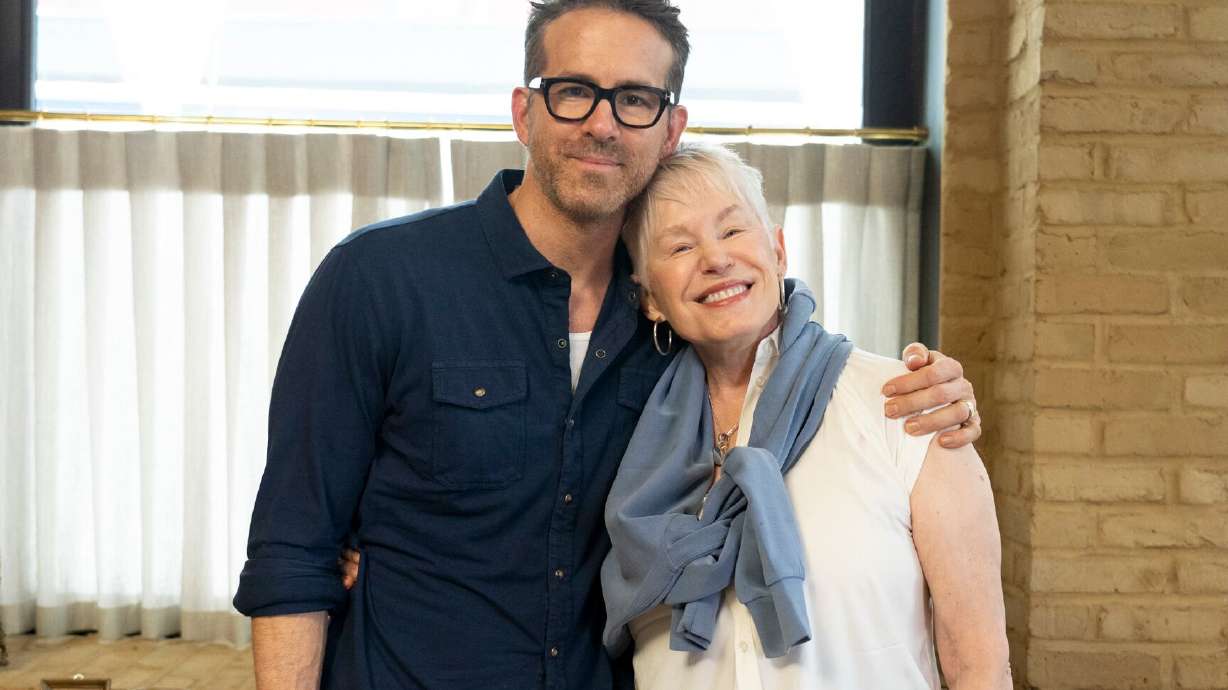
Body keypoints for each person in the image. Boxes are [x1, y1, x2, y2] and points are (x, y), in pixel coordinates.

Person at [235, 2, 983, 689]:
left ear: (670, 127)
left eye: (634, 98)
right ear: (525, 112)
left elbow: (784, 355)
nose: (602, 123)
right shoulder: (378, 280)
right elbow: (292, 554)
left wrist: (932, 388)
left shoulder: (675, 318)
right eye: (574, 92)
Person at [599, 142, 1008, 689]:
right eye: (679, 247)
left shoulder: (906, 405)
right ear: (649, 298)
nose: (715, 259)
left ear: (779, 250)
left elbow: (978, 665)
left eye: (733, 230)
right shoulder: (624, 446)